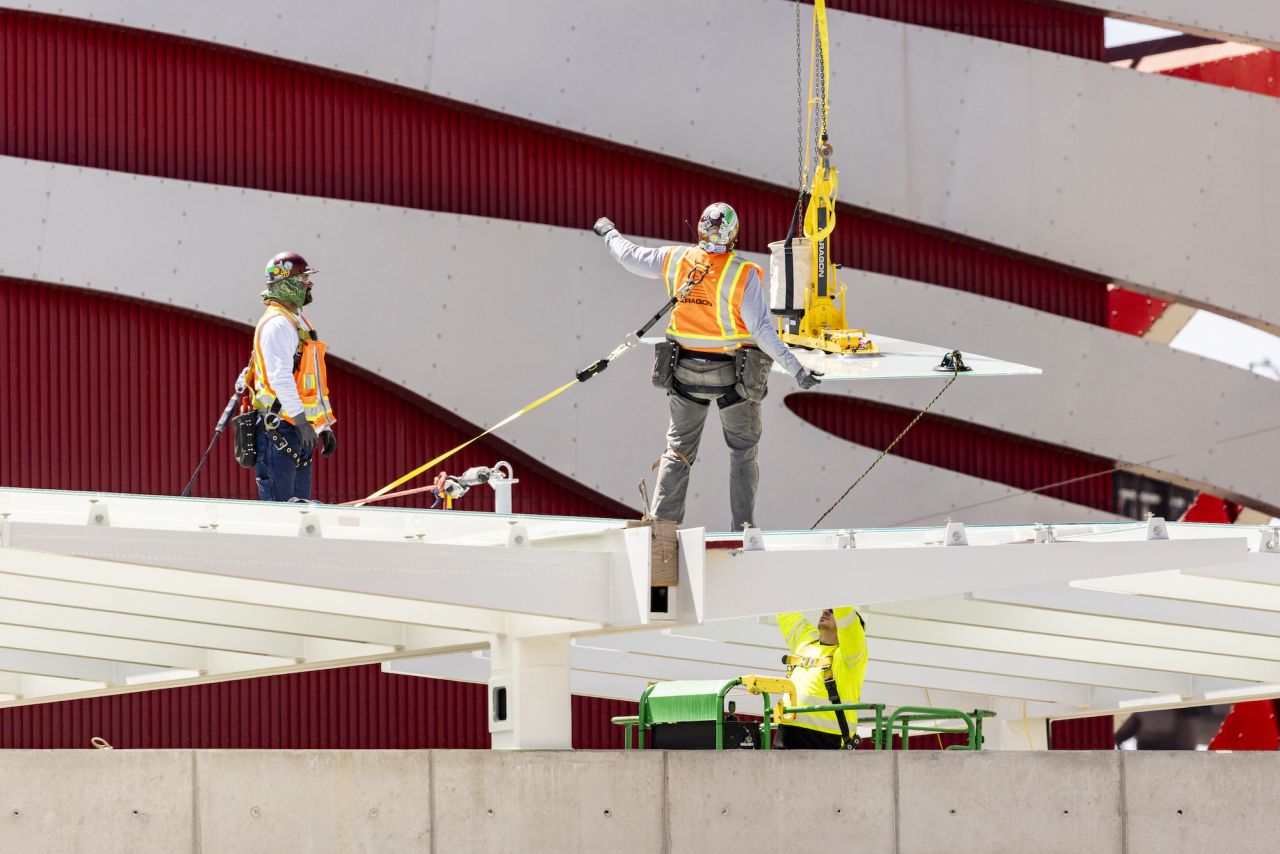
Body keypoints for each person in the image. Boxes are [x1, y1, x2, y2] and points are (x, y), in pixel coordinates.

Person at [593, 205, 822, 531]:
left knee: (678, 452)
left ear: (699, 230)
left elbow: (629, 256)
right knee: (743, 453)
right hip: (734, 379)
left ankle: (662, 532)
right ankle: (743, 532)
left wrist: (608, 232)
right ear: (734, 236)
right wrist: (797, 369)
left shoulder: (675, 259)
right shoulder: (742, 274)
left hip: (684, 373)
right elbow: (761, 330)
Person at [243, 251, 337, 501]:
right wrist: (304, 423)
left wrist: (320, 426)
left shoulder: (297, 321)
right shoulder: (278, 324)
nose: (309, 283)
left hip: (295, 429)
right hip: (280, 430)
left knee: (299, 512)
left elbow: (307, 384)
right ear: (286, 284)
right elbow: (281, 379)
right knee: (282, 517)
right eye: (304, 278)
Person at [776, 607, 868, 749]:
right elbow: (785, 608)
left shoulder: (850, 657)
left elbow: (846, 615)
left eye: (832, 611)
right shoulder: (806, 642)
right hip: (786, 732)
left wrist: (834, 596)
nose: (825, 611)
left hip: (827, 739)